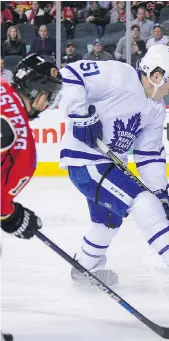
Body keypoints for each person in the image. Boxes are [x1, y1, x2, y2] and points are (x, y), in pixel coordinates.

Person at [57, 45, 169, 304]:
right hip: (86, 160)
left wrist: (161, 193)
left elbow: (149, 155)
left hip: (109, 165)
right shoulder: (120, 75)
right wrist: (80, 114)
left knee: (108, 221)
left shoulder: (156, 108)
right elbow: (70, 73)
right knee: (142, 202)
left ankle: (84, 268)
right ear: (157, 75)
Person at [1, 54, 63, 341]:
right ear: (35, 90)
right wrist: (12, 216)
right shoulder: (17, 135)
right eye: (48, 95)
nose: (49, 103)